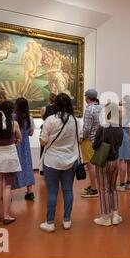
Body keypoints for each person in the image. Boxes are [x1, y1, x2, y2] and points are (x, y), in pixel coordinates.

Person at [39, 93, 81, 232]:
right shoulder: (75, 120)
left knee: (52, 192)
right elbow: (80, 139)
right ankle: (67, 220)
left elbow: (43, 141)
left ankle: (50, 222)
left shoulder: (50, 120)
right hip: (70, 159)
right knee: (68, 190)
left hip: (52, 160)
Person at [0, 101, 22, 225]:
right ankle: (6, 216)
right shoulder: (14, 124)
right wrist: (16, 140)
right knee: (7, 186)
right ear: (11, 111)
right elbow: (19, 138)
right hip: (10, 156)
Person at [93, 102, 124, 226]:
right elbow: (120, 144)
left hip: (103, 161)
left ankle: (105, 217)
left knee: (104, 189)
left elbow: (95, 145)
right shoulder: (119, 128)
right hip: (115, 160)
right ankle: (115, 214)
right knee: (113, 188)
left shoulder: (102, 128)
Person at [13, 98, 36, 200]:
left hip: (15, 144)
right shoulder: (29, 118)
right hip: (25, 145)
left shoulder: (12, 117)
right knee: (27, 166)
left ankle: (7, 192)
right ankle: (30, 191)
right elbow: (31, 133)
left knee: (13, 167)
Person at [81, 89, 101, 198]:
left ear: (87, 97)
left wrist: (81, 137)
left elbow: (87, 129)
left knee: (91, 165)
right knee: (96, 165)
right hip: (98, 140)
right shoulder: (100, 108)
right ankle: (94, 185)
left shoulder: (89, 109)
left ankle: (94, 189)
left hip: (89, 141)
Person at [117, 96, 130, 191]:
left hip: (123, 135)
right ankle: (128, 183)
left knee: (122, 160)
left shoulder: (121, 110)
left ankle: (122, 184)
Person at [39, 93, 56, 176]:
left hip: (46, 130)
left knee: (44, 149)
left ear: (49, 99)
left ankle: (43, 169)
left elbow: (43, 119)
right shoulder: (58, 109)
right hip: (55, 130)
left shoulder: (44, 108)